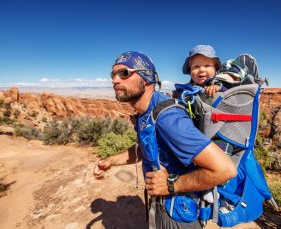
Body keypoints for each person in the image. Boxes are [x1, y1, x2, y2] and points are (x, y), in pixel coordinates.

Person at [93, 51, 237, 229]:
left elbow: (225, 170)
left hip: (179, 214)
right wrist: (110, 161)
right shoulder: (146, 112)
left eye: (124, 73)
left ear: (146, 77)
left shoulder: (167, 119)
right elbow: (146, 148)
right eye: (113, 74)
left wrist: (170, 185)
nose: (115, 80)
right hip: (161, 203)